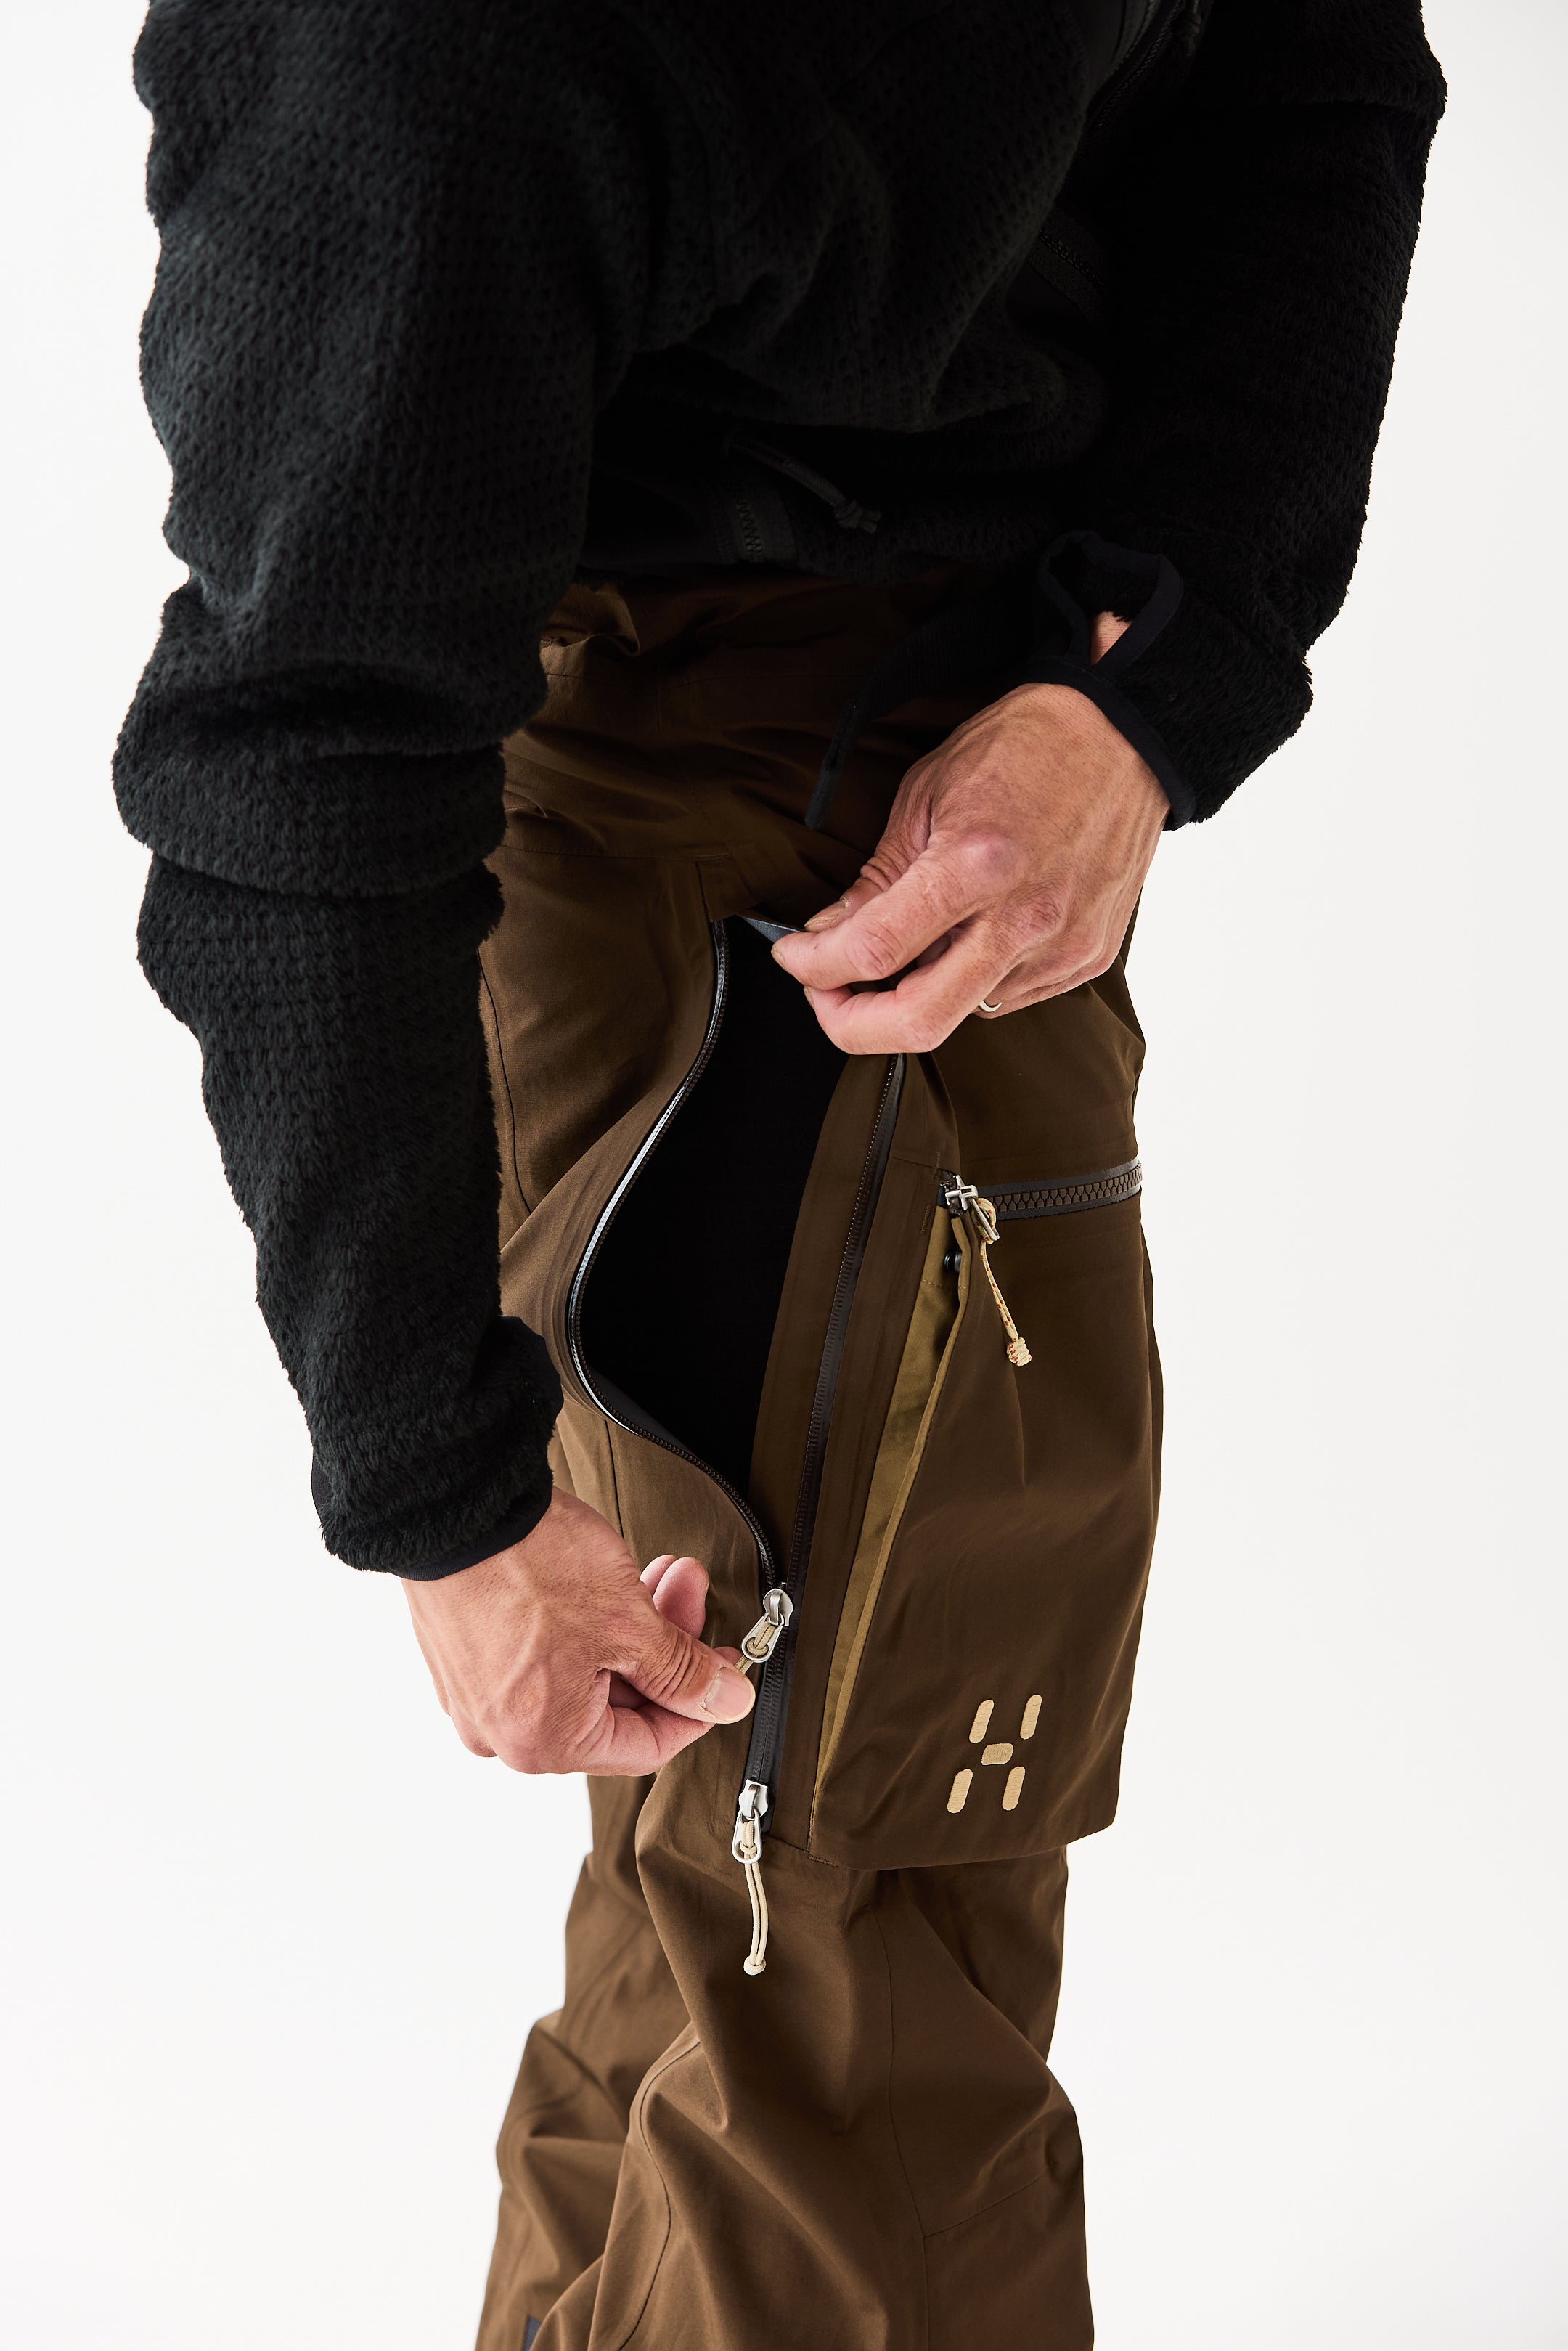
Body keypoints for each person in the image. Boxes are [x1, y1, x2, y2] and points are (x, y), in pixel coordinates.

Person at [115, 1, 1445, 2342]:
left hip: (975, 763)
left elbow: (1307, 61)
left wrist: (1152, 673)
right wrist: (438, 1487)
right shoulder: (406, 59)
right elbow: (302, 747)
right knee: (839, 1977)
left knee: (744, 1927)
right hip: (701, 847)